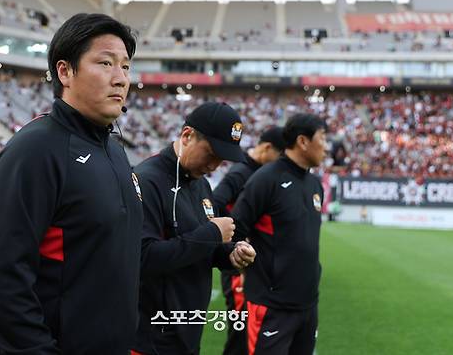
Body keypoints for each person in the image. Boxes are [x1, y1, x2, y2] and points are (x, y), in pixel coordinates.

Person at [0, 13, 143, 354]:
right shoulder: (34, 150)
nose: (120, 78)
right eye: (106, 63)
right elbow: (0, 275)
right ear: (65, 72)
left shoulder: (115, 150)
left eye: (125, 67)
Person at [132, 102, 257, 355]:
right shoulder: (147, 180)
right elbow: (143, 257)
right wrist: (212, 233)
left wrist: (229, 254)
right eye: (211, 154)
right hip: (152, 339)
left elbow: (200, 249)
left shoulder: (201, 184)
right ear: (187, 135)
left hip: (187, 332)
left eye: (222, 160)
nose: (214, 166)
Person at [231, 113, 327, 355]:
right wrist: (245, 270)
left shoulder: (315, 185)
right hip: (271, 305)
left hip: (307, 304)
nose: (327, 146)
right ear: (303, 141)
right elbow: (236, 230)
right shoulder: (266, 179)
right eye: (323, 138)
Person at [213, 126, 286, 355]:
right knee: (240, 331)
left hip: (248, 262)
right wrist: (235, 233)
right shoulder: (241, 172)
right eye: (280, 156)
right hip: (236, 264)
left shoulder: (259, 172)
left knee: (249, 330)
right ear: (266, 148)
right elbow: (215, 202)